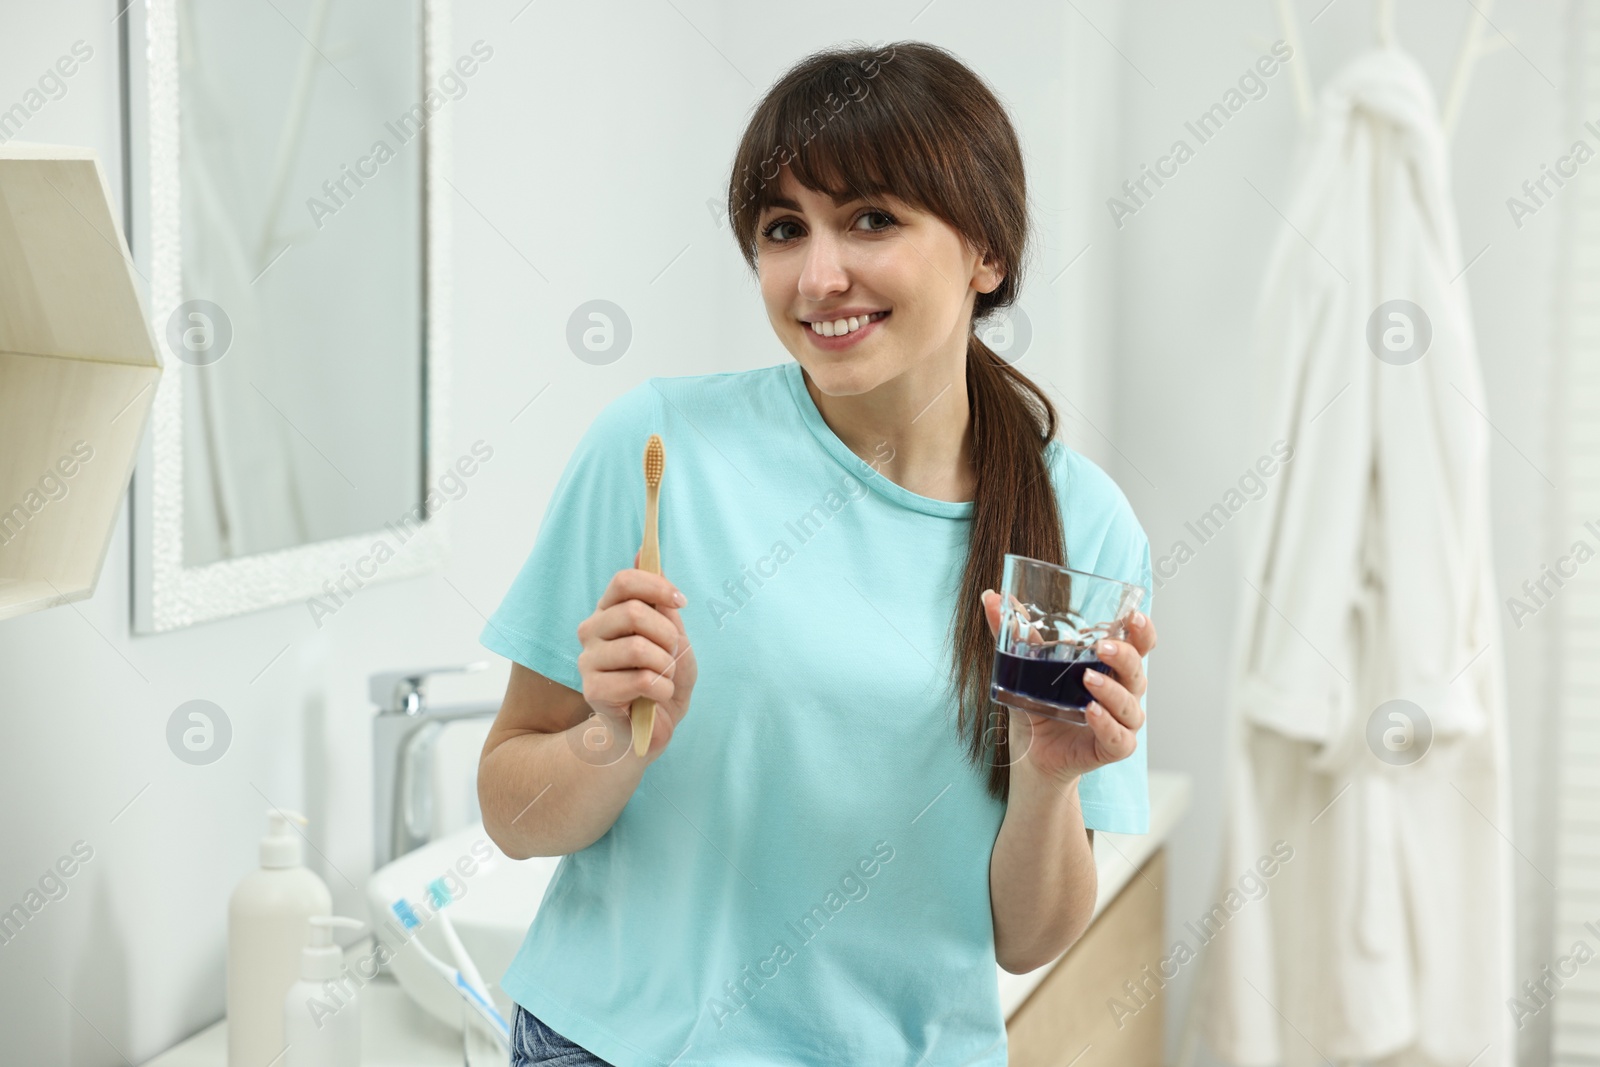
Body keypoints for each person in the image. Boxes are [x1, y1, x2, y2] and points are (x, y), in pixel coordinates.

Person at [477, 39, 1158, 1067]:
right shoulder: (658, 450)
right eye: (782, 229)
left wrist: (1049, 783)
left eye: (871, 219)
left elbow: (1030, 936)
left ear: (987, 251)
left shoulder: (1079, 527)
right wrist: (609, 740)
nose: (817, 275)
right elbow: (510, 814)